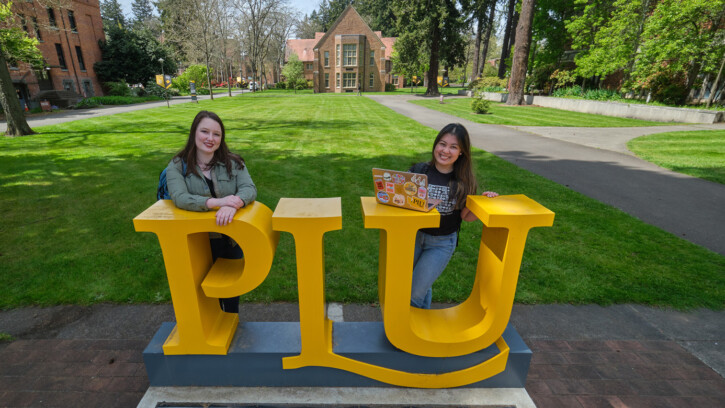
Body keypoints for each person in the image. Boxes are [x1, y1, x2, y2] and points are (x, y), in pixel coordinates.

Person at [165, 110, 257, 314]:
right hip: (196, 241)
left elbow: (249, 189)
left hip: (230, 237)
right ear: (194, 133)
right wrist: (218, 202)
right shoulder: (177, 166)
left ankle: (231, 323)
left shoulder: (233, 162)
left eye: (216, 134)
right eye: (204, 131)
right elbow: (180, 198)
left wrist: (234, 203)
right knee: (202, 294)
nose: (210, 138)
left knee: (230, 290)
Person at [408, 123, 498, 309]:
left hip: (442, 243)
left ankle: (406, 330)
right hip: (413, 237)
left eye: (453, 147)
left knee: (414, 292)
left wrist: (483, 202)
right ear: (435, 145)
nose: (445, 150)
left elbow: (467, 216)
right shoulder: (419, 171)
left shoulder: (464, 181)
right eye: (442, 144)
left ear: (461, 152)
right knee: (418, 284)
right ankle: (421, 326)